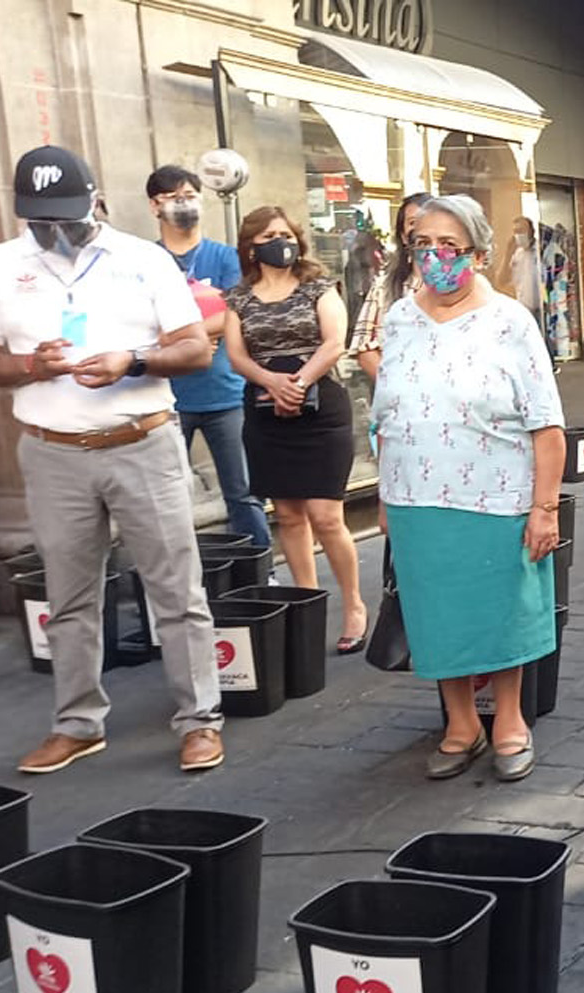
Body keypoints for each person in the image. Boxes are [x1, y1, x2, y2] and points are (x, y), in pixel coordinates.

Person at [0, 146, 226, 773]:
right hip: (53, 452)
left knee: (175, 589)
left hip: (141, 440)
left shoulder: (144, 259)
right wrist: (29, 365)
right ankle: (77, 722)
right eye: (40, 218)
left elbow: (193, 349)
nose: (55, 229)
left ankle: (199, 719)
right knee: (70, 595)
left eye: (67, 215)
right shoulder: (0, 264)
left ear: (95, 199)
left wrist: (129, 361)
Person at [373, 195, 566, 783]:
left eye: (449, 246)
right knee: (435, 615)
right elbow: (384, 413)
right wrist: (384, 495)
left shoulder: (510, 321)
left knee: (499, 613)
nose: (434, 257)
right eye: (422, 245)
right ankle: (460, 724)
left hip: (493, 497)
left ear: (478, 254)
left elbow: (546, 424)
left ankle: (508, 721)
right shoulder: (401, 317)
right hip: (416, 499)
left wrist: (544, 508)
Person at [221, 206, 368, 654]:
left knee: (326, 515)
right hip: (266, 412)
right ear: (251, 245)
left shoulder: (318, 286)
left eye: (286, 233)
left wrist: (299, 383)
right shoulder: (238, 297)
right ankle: (307, 600)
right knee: (287, 514)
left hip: (321, 411)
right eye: (269, 234)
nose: (279, 241)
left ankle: (354, 605)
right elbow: (236, 354)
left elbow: (333, 342)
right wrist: (272, 383)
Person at [146, 164, 269, 548]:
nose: (184, 204)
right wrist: (195, 336)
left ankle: (259, 572)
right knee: (166, 499)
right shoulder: (145, 260)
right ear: (154, 206)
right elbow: (141, 321)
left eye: (191, 195)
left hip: (225, 393)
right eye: (173, 197)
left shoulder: (225, 256)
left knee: (243, 492)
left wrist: (182, 338)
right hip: (164, 399)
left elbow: (240, 311)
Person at [352, 192, 434, 384]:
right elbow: (364, 347)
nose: (422, 231)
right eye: (413, 223)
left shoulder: (462, 285)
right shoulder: (385, 287)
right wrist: (396, 389)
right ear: (404, 236)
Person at [508, 216, 543, 316]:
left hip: (542, 309)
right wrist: (508, 253)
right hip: (524, 309)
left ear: (532, 231)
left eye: (521, 231)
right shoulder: (517, 254)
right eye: (516, 232)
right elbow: (502, 280)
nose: (518, 235)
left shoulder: (541, 251)